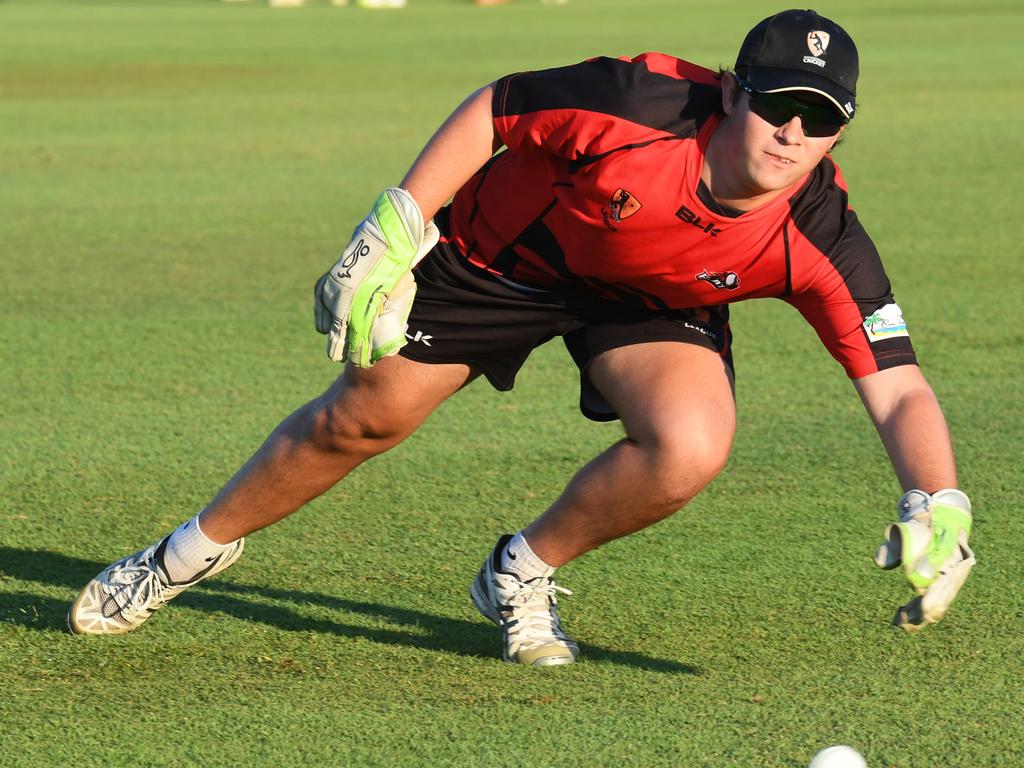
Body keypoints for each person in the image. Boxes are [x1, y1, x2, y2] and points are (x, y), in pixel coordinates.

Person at [68, 9, 976, 666]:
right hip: (507, 255)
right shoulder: (638, 102)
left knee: (691, 445)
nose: (793, 132)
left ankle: (519, 572)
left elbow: (896, 382)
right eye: (779, 103)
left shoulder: (821, 231)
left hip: (647, 300)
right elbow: (497, 107)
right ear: (734, 92)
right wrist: (394, 225)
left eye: (822, 118)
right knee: (362, 421)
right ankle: (174, 559)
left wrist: (937, 501)